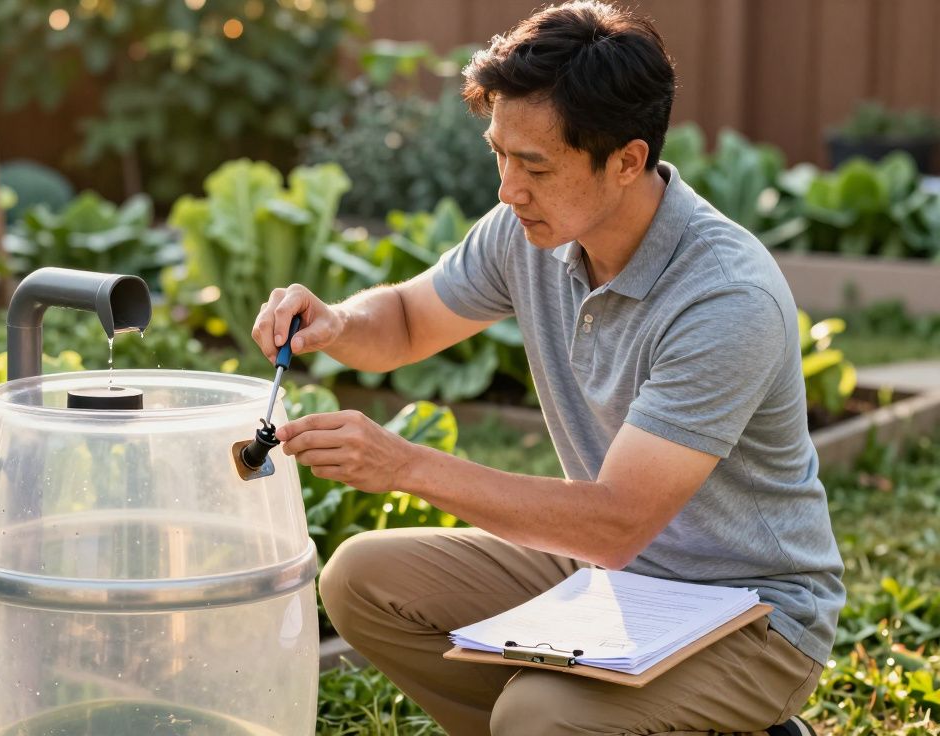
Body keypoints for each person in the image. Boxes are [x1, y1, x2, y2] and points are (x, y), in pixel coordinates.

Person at [250, 2, 843, 734]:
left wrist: (403, 465)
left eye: (534, 165)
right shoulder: (527, 231)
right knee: (362, 581)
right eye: (499, 152)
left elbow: (616, 523)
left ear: (627, 160)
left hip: (754, 614)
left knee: (537, 714)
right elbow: (405, 320)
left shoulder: (724, 297)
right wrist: (337, 323)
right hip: (615, 580)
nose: (507, 188)